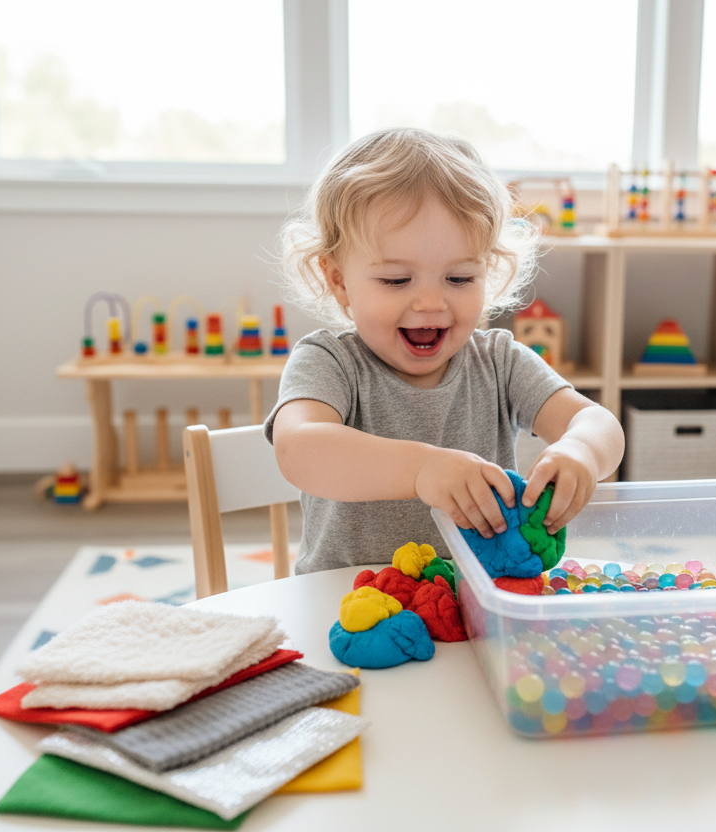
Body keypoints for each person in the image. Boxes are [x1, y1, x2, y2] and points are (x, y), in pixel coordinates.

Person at [266, 128, 624, 574]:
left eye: (459, 279)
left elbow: (598, 421)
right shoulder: (329, 363)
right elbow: (299, 450)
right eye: (397, 280)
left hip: (474, 603)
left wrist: (582, 451)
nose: (432, 303)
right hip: (355, 607)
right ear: (339, 280)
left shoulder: (499, 362)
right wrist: (421, 469)